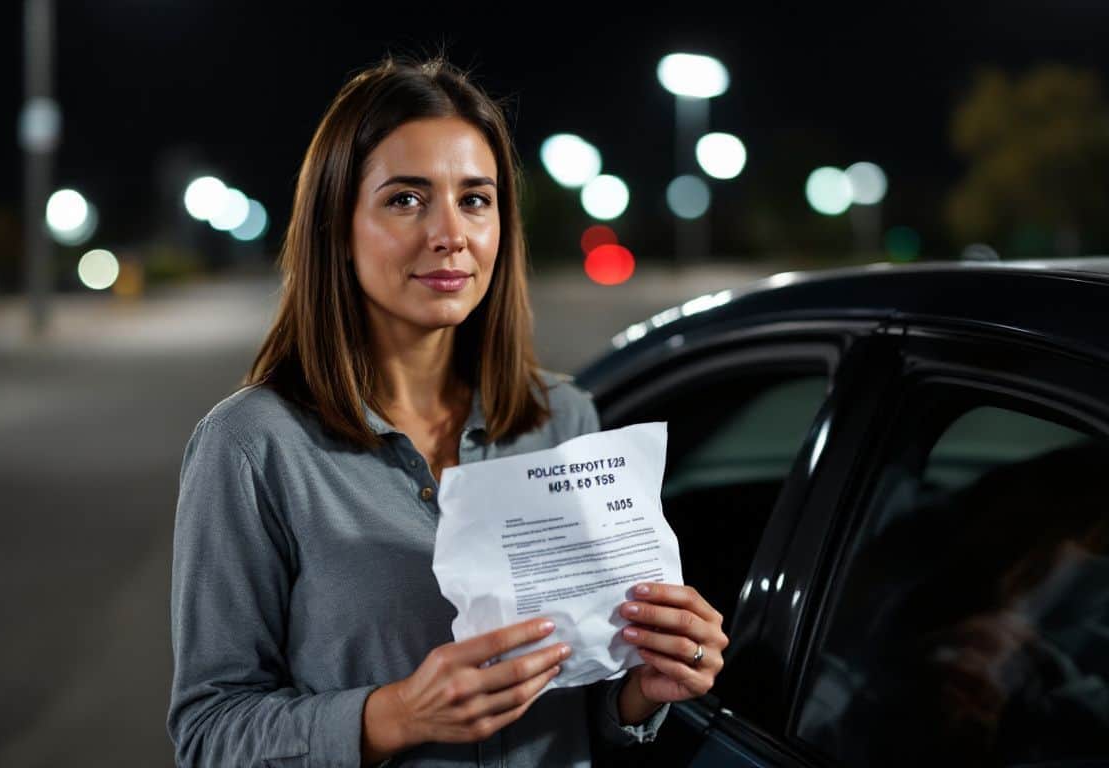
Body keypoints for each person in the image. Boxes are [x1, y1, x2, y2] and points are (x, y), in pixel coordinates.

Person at [166, 56, 730, 767]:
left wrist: (644, 691)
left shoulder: (565, 421)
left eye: (475, 199)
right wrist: (394, 715)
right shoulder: (250, 447)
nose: (450, 233)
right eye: (406, 199)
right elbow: (209, 733)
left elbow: (585, 697)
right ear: (337, 227)